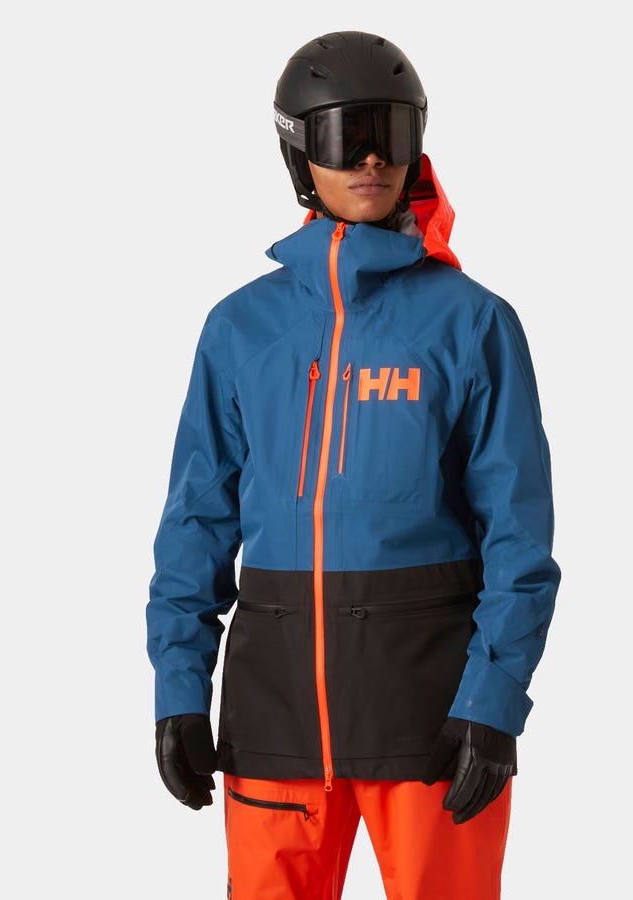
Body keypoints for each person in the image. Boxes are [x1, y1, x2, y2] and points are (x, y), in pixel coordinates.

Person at [147, 30, 561, 900]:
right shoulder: (240, 329)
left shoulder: (473, 324)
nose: (371, 158)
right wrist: (179, 688)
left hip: (433, 718)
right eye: (345, 135)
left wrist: (493, 703)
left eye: (390, 133)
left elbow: (519, 539)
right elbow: (196, 521)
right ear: (299, 153)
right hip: (273, 717)